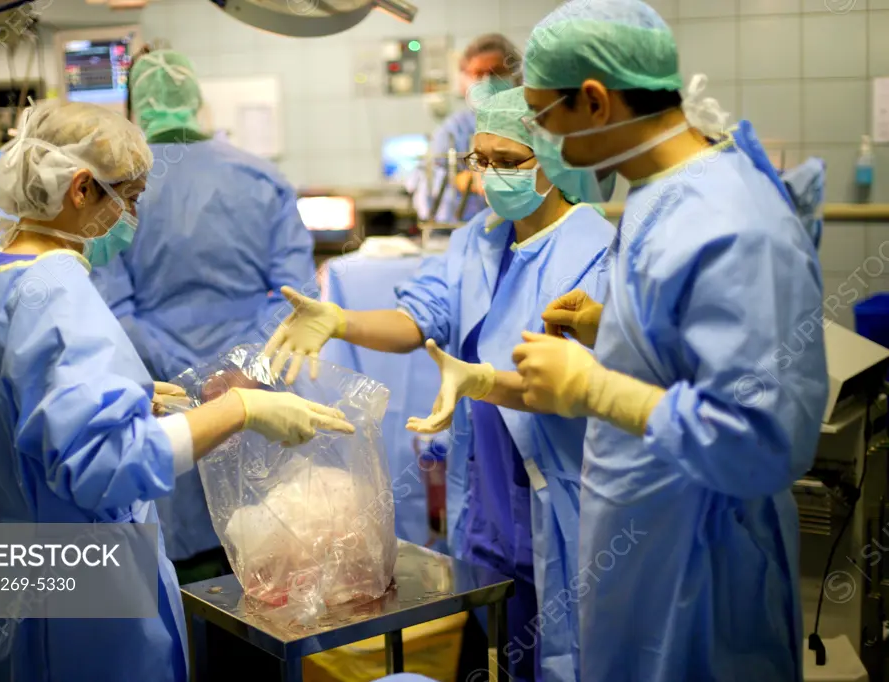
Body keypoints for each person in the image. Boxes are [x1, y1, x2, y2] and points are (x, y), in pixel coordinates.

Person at [0, 100, 353, 682]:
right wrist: (242, 408)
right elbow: (108, 467)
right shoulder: (57, 293)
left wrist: (125, 398)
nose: (131, 217)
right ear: (82, 189)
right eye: (130, 198)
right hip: (69, 624)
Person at [512, 2, 828, 681]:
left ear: (595, 101)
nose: (546, 143)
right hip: (651, 538)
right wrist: (618, 329)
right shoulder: (659, 190)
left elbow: (763, 436)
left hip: (704, 566)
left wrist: (595, 386)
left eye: (544, 117)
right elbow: (697, 345)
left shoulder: (736, 225)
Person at [265, 85, 615, 682]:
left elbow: (588, 379)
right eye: (482, 162)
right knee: (494, 628)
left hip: (558, 478)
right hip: (484, 483)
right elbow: (419, 319)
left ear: (554, 160)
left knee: (565, 640)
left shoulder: (594, 251)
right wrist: (341, 320)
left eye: (510, 162)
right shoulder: (475, 240)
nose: (489, 178)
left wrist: (481, 378)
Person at [90, 49, 316, 580]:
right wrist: (236, 371)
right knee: (263, 558)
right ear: (197, 101)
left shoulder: (119, 190)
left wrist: (185, 373)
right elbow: (295, 300)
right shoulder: (260, 178)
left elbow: (113, 307)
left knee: (176, 564)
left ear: (136, 107)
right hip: (253, 388)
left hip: (158, 389)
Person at [412, 34, 522, 225]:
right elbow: (427, 192)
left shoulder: (539, 125)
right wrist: (463, 179)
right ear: (465, 81)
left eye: (497, 71)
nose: (488, 81)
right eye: (479, 74)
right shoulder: (455, 130)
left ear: (516, 75)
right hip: (465, 232)